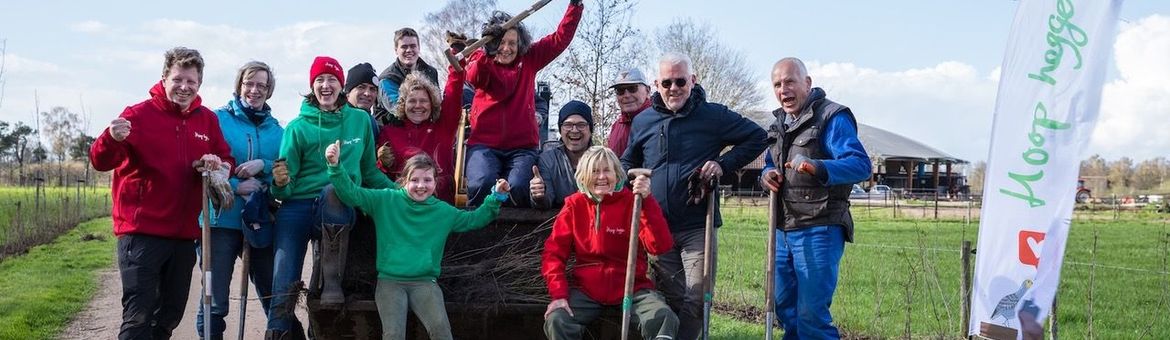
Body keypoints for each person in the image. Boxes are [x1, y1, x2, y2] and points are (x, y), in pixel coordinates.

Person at [89, 46, 235, 340]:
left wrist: (216, 165)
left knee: (168, 317)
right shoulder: (138, 115)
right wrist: (110, 137)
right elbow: (100, 161)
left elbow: (226, 158)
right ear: (164, 78)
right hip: (141, 233)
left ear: (199, 84)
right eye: (178, 80)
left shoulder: (206, 120)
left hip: (183, 236)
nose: (184, 87)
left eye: (191, 82)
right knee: (139, 316)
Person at [621, 52, 768, 340]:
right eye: (667, 82)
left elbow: (757, 138)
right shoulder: (644, 121)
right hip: (657, 228)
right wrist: (632, 177)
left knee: (697, 296)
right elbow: (626, 161)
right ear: (656, 84)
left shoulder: (713, 116)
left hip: (698, 225)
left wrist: (722, 165)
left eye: (680, 81)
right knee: (670, 296)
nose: (673, 88)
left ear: (693, 80)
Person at [267, 56, 396, 339]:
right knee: (284, 277)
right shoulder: (297, 127)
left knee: (333, 190)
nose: (326, 86)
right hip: (298, 206)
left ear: (341, 86)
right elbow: (285, 188)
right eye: (319, 81)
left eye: (332, 80)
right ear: (312, 86)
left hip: (339, 204)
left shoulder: (360, 121)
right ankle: (277, 330)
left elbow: (369, 173)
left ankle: (332, 282)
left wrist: (400, 193)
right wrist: (279, 183)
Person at [325, 144, 510, 340]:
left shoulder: (443, 211)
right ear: (404, 181)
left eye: (427, 180)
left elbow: (475, 219)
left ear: (435, 183)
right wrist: (335, 166)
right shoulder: (385, 200)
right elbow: (351, 193)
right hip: (390, 281)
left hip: (424, 282)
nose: (421, 186)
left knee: (442, 332)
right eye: (414, 180)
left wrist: (495, 197)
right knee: (393, 335)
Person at [759, 57, 871, 339]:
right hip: (783, 229)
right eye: (777, 84)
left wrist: (819, 167)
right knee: (785, 309)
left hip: (819, 227)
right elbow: (769, 163)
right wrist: (767, 174)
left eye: (789, 82)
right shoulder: (778, 124)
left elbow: (860, 165)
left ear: (807, 83)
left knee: (812, 317)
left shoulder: (831, 117)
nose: (783, 90)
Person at [542, 146, 678, 340]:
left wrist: (647, 202)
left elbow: (660, 246)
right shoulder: (574, 205)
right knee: (558, 320)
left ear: (617, 174)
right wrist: (558, 295)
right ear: (583, 176)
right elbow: (553, 254)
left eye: (607, 170)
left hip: (632, 288)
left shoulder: (634, 202)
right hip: (587, 290)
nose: (601, 177)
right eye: (594, 171)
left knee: (663, 317)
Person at [463, 0, 584, 207]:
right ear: (491, 45)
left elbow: (559, 39)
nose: (507, 48)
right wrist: (486, 52)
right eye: (500, 43)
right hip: (484, 145)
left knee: (519, 187)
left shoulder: (529, 59)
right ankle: (478, 233)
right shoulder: (482, 60)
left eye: (512, 43)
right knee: (481, 183)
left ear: (520, 44)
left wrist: (575, 6)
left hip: (522, 148)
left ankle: (515, 236)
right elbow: (473, 76)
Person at [195, 61, 283, 339]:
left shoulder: (277, 131)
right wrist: (235, 185)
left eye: (262, 85)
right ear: (239, 85)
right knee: (215, 300)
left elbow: (287, 168)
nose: (254, 90)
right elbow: (202, 167)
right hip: (221, 219)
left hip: (260, 221)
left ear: (269, 91)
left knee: (274, 296)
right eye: (249, 83)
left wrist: (264, 165)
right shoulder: (216, 120)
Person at [375, 63, 464, 203]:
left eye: (423, 101)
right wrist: (383, 163)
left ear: (432, 104)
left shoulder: (443, 127)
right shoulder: (389, 133)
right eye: (412, 101)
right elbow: (381, 176)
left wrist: (456, 66)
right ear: (403, 104)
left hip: (439, 206)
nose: (417, 106)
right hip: (404, 208)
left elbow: (454, 92)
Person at [529, 100, 593, 209]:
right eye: (568, 125)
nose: (574, 130)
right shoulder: (548, 160)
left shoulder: (602, 159)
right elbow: (546, 202)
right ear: (560, 129)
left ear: (590, 129)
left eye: (581, 125)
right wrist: (539, 196)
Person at [379, 27, 440, 123]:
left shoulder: (431, 72)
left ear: (418, 48)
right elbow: (398, 110)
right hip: (393, 129)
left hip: (425, 129)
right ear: (396, 50)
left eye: (413, 46)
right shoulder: (387, 78)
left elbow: (436, 104)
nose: (409, 50)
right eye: (404, 47)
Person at [606, 67, 652, 158]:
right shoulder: (616, 126)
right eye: (620, 90)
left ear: (648, 90)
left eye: (632, 88)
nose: (626, 95)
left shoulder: (660, 121)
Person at [344, 62, 389, 136]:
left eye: (372, 89)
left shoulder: (372, 123)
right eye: (361, 87)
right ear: (348, 92)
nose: (367, 93)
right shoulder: (335, 119)